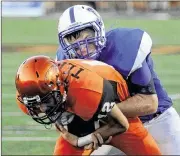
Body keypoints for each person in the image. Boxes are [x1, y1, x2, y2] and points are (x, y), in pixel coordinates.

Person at [56, 5, 180, 154]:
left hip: (155, 120)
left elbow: (149, 103)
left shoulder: (123, 46)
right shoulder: (65, 63)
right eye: (72, 40)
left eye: (87, 38)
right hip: (110, 126)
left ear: (99, 29)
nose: (83, 47)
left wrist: (96, 112)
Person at [15, 55, 161, 155]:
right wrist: (64, 129)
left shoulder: (86, 89)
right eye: (36, 104)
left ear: (59, 86)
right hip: (77, 111)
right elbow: (51, 110)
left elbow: (121, 124)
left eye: (45, 101)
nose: (41, 108)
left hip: (113, 110)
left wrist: (80, 141)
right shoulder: (29, 94)